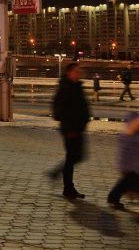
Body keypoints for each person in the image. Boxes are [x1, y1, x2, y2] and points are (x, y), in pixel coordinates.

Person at [49, 62, 90, 200]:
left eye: (80, 71)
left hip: (78, 128)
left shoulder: (76, 86)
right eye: (77, 71)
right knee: (73, 157)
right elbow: (58, 110)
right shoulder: (65, 87)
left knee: (76, 157)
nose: (79, 73)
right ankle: (68, 188)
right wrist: (69, 126)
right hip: (71, 129)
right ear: (69, 72)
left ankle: (62, 179)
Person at [106, 112, 139, 211]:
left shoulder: (137, 136)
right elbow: (125, 154)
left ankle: (112, 198)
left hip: (135, 167)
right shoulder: (127, 137)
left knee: (124, 184)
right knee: (138, 187)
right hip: (130, 167)